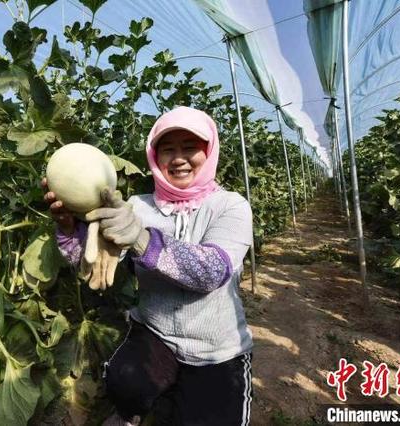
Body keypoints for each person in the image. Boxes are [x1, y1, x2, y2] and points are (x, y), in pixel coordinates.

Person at [42, 106, 254, 426]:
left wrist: (142, 239)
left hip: (216, 350)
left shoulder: (231, 206)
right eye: (167, 149)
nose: (178, 158)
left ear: (208, 152)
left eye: (190, 148)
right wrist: (72, 232)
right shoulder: (137, 206)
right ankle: (134, 411)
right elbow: (95, 267)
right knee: (123, 381)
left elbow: (211, 271)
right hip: (156, 335)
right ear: (155, 157)